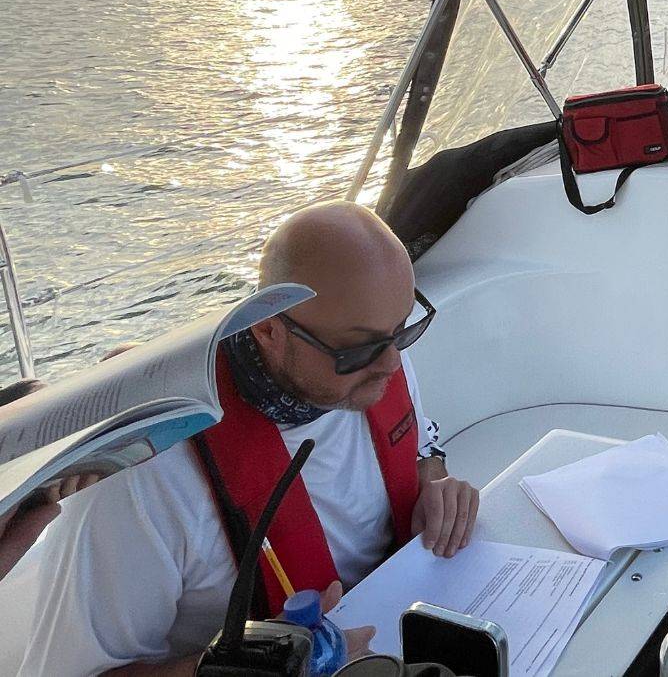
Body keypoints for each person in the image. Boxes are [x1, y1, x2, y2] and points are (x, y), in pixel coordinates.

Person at [1, 201, 481, 676]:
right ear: (269, 328)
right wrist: (236, 666)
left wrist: (434, 482)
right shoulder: (147, 477)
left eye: (402, 332)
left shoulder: (372, 362)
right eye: (361, 348)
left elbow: (421, 449)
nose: (392, 364)